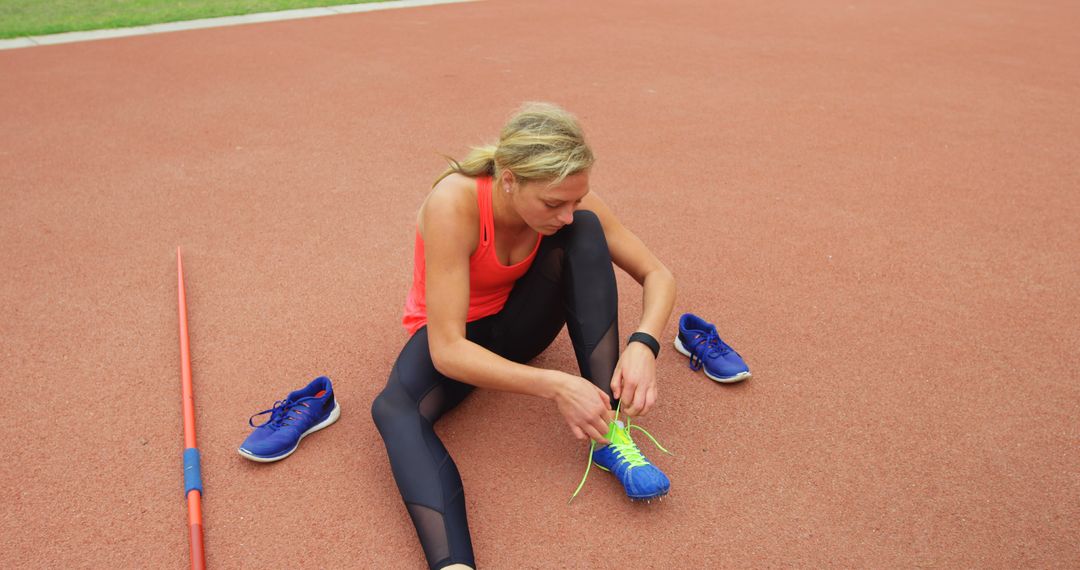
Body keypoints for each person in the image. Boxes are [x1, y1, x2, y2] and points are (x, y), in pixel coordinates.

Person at [371, 102, 676, 570]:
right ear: (508, 178)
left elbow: (658, 273)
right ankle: (454, 564)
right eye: (554, 204)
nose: (567, 213)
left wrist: (645, 344)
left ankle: (608, 430)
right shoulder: (454, 203)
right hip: (461, 337)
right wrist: (555, 384)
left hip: (521, 325)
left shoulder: (572, 205)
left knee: (586, 234)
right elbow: (447, 349)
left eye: (576, 198)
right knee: (393, 409)